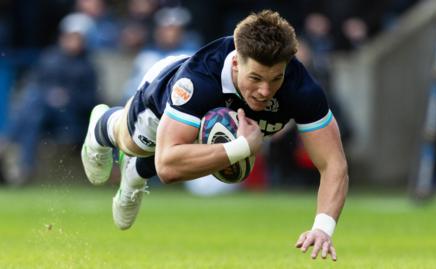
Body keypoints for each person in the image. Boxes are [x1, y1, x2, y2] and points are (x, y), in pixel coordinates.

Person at [81, 10, 348, 261]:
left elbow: (333, 164)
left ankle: (136, 173)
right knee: (135, 143)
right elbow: (167, 166)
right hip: (165, 96)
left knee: (223, 158)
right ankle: (102, 125)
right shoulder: (198, 80)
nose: (265, 91)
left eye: (275, 79)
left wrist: (323, 227)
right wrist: (242, 147)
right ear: (235, 63)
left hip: (209, 126)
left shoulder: (302, 88)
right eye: (255, 78)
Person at [2, 13, 98, 185]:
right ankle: (24, 165)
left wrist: (67, 98)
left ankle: (8, 141)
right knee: (35, 107)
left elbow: (90, 100)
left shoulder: (87, 67)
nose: (72, 41)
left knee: (35, 104)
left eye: (76, 37)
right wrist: (51, 96)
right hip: (44, 115)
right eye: (69, 36)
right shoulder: (49, 58)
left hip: (70, 118)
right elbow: (35, 84)